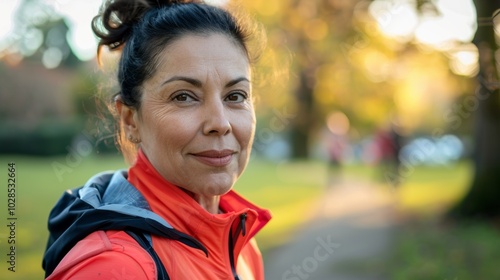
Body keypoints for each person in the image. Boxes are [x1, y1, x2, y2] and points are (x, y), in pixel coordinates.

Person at [42, 1, 272, 279]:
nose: (220, 124)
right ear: (130, 120)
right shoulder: (115, 268)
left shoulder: (241, 244)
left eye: (235, 96)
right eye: (183, 96)